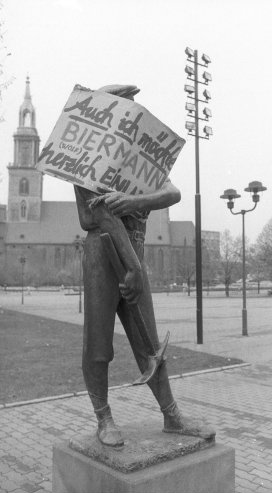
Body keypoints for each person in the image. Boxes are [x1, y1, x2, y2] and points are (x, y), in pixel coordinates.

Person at [74, 84, 215, 447]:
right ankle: (103, 418)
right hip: (102, 252)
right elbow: (95, 216)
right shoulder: (83, 153)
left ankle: (172, 415)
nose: (131, 122)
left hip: (134, 249)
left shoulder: (138, 157)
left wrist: (133, 199)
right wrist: (132, 266)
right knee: (98, 341)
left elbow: (172, 192)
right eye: (124, 113)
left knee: (150, 342)